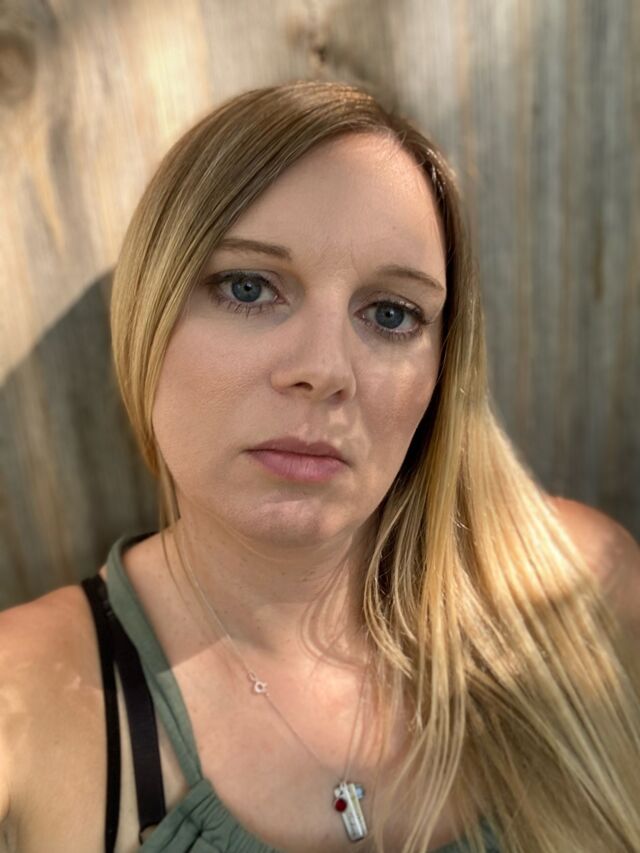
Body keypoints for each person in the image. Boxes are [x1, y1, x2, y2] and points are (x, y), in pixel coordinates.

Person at [0, 80, 638, 853]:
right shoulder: (22, 706)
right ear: (148, 314)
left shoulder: (583, 589)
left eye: (391, 313)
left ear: (443, 368)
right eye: (248, 288)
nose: (325, 369)